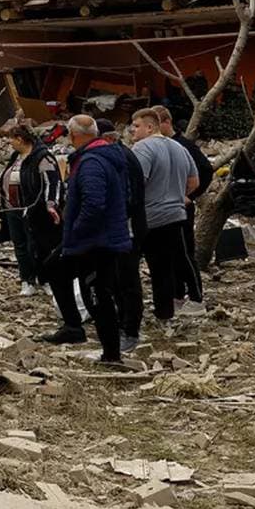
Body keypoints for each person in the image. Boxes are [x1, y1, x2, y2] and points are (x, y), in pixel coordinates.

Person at [44, 114, 131, 363]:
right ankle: (74, 327)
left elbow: (94, 204)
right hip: (101, 237)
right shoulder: (103, 156)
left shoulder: (92, 162)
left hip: (95, 242)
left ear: (74, 135)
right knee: (55, 269)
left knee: (97, 295)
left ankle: (111, 355)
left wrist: (78, 231)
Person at [129, 109, 200, 323]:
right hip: (175, 214)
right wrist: (178, 195)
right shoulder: (179, 147)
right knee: (164, 269)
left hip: (149, 216)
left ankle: (130, 315)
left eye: (137, 125)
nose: (133, 129)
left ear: (150, 127)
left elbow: (136, 183)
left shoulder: (143, 148)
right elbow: (194, 182)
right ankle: (165, 312)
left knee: (130, 267)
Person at [154, 106, 212, 310]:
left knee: (184, 253)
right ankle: (176, 294)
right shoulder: (161, 145)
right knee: (169, 254)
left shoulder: (183, 146)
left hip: (180, 208)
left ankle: (196, 297)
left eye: (155, 125)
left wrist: (190, 196)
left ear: (166, 122)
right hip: (164, 209)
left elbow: (205, 170)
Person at [0, 124, 63, 296]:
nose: (9, 142)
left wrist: (50, 204)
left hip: (34, 210)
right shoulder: (15, 157)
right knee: (20, 245)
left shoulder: (42, 157)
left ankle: (45, 279)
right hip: (13, 209)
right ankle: (27, 279)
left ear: (20, 139)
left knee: (40, 245)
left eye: (11, 138)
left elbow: (52, 182)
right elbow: (6, 179)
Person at [99, 117, 146, 352]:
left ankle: (130, 330)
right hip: (124, 227)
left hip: (127, 228)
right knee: (117, 279)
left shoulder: (121, 159)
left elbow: (128, 196)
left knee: (127, 280)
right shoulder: (123, 155)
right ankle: (122, 322)